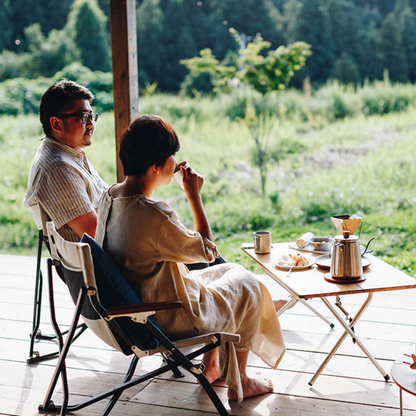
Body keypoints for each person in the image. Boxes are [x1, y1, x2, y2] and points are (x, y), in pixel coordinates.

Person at [95, 115, 286, 403]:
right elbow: (207, 250)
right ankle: (242, 381)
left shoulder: (109, 197)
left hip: (139, 303)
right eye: (172, 156)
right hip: (166, 313)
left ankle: (211, 367)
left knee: (230, 270)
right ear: (156, 166)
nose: (176, 162)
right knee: (247, 284)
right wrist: (194, 196)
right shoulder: (151, 213)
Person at [23, 80, 109, 242]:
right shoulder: (58, 168)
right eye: (83, 117)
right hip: (100, 263)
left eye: (92, 116)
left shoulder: (68, 154)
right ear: (56, 123)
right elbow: (96, 234)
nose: (91, 124)